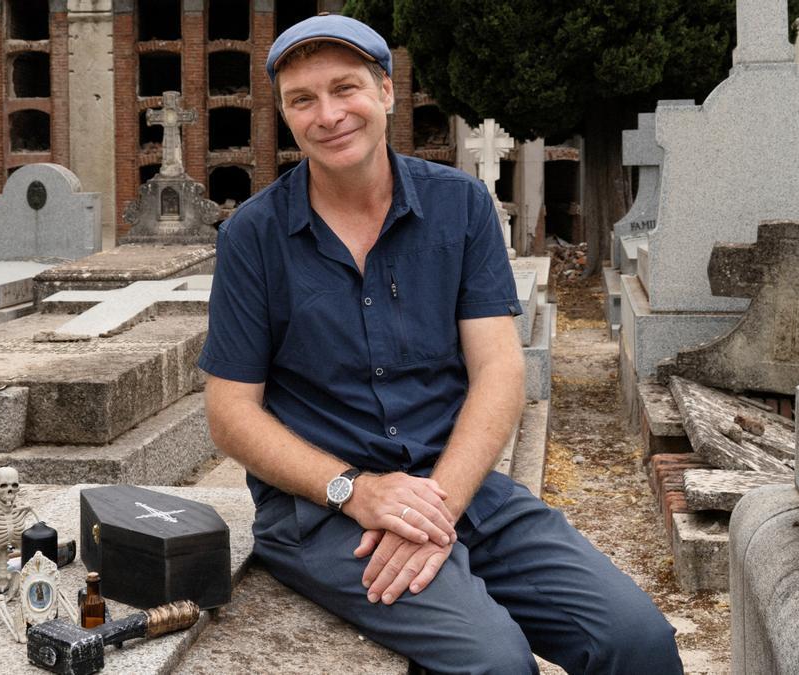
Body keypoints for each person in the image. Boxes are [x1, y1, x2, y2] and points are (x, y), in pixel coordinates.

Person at [197, 13, 683, 674]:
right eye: (302, 100)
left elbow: (499, 371)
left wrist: (439, 505)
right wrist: (355, 490)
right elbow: (231, 413)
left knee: (638, 640)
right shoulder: (252, 237)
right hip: (327, 512)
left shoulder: (461, 207)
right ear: (285, 115)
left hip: (461, 487)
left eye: (346, 89)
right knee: (497, 662)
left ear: (388, 92)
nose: (328, 114)